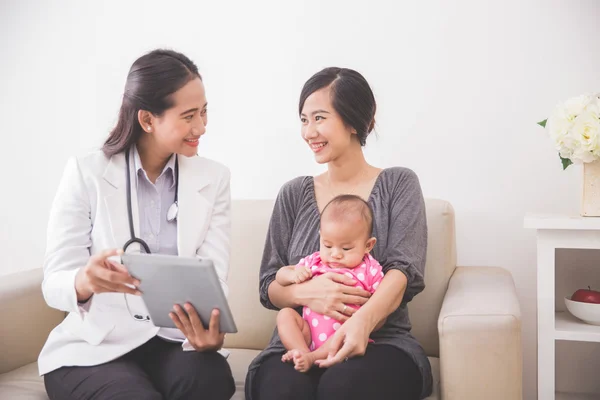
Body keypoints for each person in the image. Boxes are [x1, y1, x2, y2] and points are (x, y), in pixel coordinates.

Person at [39, 49, 235, 400]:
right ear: (147, 119)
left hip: (173, 343)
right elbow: (53, 283)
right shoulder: (88, 174)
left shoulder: (214, 179)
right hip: (95, 348)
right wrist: (84, 281)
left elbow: (215, 277)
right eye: (189, 116)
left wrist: (211, 327)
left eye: (204, 112)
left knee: (211, 379)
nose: (201, 127)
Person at [246, 67, 433, 400]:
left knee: (343, 387)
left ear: (353, 122)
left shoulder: (399, 185)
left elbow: (403, 272)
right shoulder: (293, 193)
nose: (309, 132)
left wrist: (359, 324)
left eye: (319, 118)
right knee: (284, 390)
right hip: (298, 343)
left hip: (381, 341)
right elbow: (269, 286)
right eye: (304, 120)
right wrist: (308, 294)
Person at [276, 194, 385, 372]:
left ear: (368, 245)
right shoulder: (315, 261)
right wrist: (292, 275)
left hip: (343, 338)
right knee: (285, 315)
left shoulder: (370, 269)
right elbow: (279, 276)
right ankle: (301, 353)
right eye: (327, 245)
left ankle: (310, 358)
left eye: (346, 248)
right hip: (308, 334)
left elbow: (380, 309)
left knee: (347, 334)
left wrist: (362, 320)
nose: (335, 254)